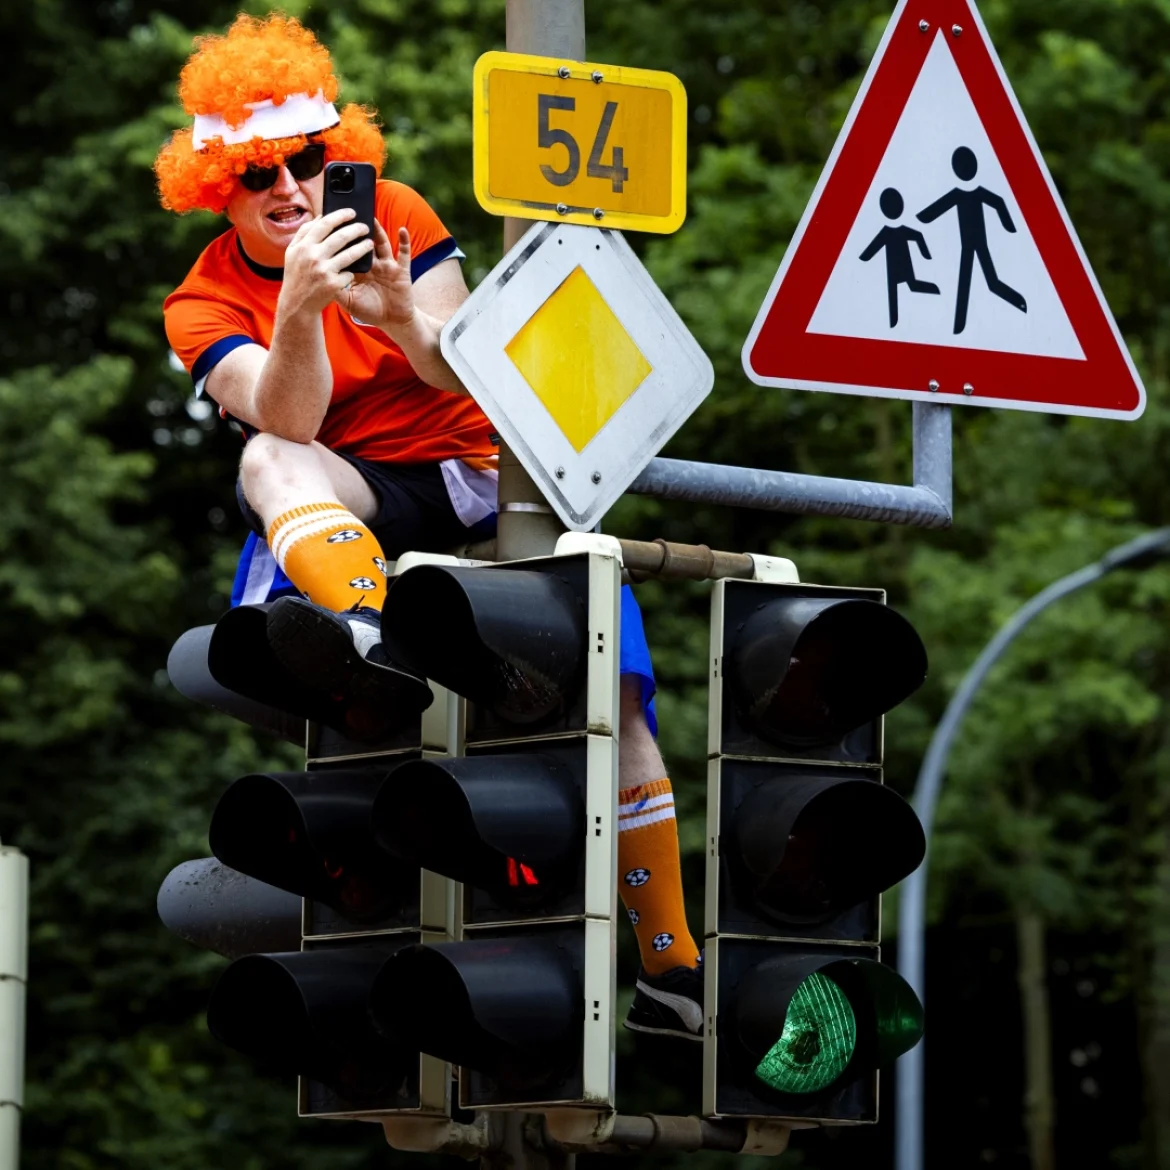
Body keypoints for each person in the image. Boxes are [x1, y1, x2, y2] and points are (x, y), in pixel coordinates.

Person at [156, 13, 702, 1039]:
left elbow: (472, 373)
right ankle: (371, 635)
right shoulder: (200, 301)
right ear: (215, 189)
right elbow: (291, 422)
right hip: (355, 497)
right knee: (264, 459)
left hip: (481, 478)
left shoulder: (397, 211)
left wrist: (401, 315)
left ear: (336, 155)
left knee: (618, 703)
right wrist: (302, 310)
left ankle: (672, 967)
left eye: (307, 161)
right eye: (257, 174)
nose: (289, 189)